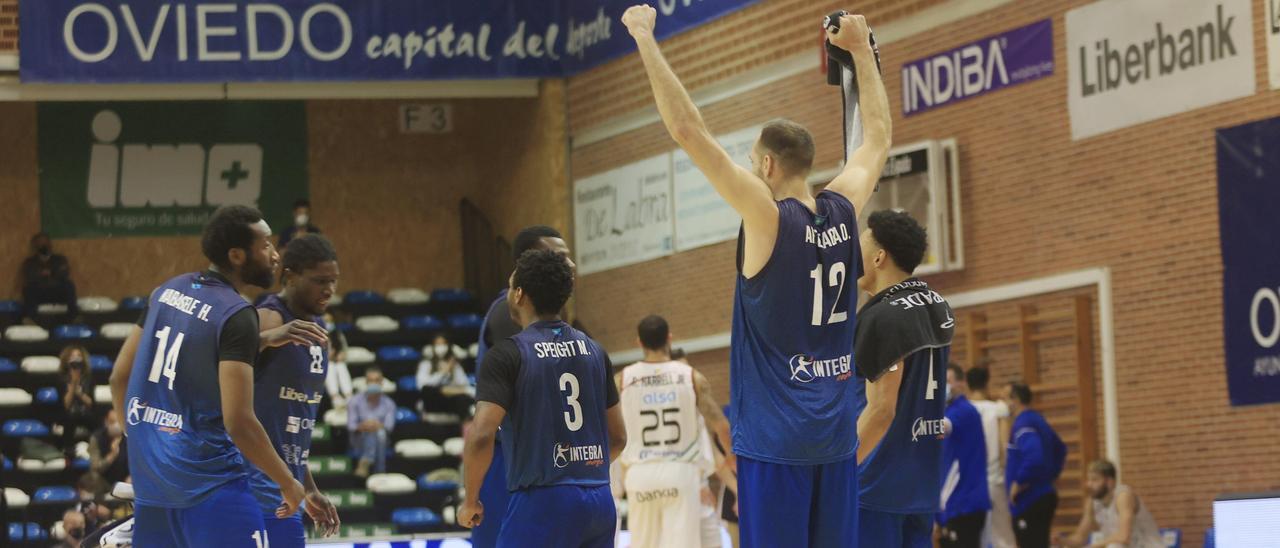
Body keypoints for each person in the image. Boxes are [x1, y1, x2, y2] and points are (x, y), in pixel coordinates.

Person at [624, 7, 891, 546]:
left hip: (775, 444)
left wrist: (645, 37)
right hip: (835, 438)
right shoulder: (844, 207)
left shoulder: (767, 217)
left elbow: (687, 130)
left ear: (767, 167)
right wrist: (862, 52)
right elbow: (878, 138)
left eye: (752, 160)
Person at [109, 205, 305, 547]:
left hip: (154, 490)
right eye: (266, 245)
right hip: (211, 489)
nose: (276, 255)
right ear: (237, 255)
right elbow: (239, 422)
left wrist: (138, 437)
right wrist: (287, 481)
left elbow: (118, 378)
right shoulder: (238, 314)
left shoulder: (166, 291)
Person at [459, 249, 626, 547]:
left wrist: (470, 500)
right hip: (599, 500)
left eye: (511, 286)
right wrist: (581, 470)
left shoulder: (507, 355)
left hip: (542, 501)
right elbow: (618, 437)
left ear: (519, 295)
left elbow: (482, 434)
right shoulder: (595, 351)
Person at [853, 210, 956, 548]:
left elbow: (882, 409)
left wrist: (837, 472)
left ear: (879, 257)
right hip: (921, 483)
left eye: (861, 246)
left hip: (876, 486)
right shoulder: (938, 304)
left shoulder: (883, 315)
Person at [471, 224, 575, 548]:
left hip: (540, 460)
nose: (569, 265)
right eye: (558, 257)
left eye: (569, 257)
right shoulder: (508, 312)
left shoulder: (555, 324)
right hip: (507, 459)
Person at [249, 234, 342, 545]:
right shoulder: (269, 316)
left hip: (287, 487)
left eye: (334, 280)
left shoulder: (318, 330)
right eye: (319, 281)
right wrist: (268, 338)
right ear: (289, 276)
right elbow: (219, 363)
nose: (329, 289)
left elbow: (289, 427)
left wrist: (310, 487)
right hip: (252, 484)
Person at [616, 315, 733, 548]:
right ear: (669, 338)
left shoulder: (622, 380)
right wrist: (730, 456)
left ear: (639, 342)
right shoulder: (690, 376)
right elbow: (721, 425)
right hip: (680, 473)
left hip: (640, 474)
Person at [1003, 382, 1066, 548]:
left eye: (1005, 399)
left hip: (1030, 499)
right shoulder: (1037, 419)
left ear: (1014, 399)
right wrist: (1051, 476)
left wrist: (1020, 482)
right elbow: (1060, 448)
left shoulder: (1023, 424)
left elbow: (1034, 457)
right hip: (1043, 495)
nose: (1003, 404)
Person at [937, 365, 991, 548]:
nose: (943, 386)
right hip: (953, 505)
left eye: (948, 382)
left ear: (961, 383)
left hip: (965, 503)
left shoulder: (964, 411)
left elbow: (941, 426)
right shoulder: (949, 410)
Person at [965, 366, 1017, 548]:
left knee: (975, 537)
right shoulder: (998, 409)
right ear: (987, 384)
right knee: (1003, 537)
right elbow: (1004, 447)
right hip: (994, 479)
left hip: (969, 483)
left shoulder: (962, 410)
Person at [1058, 460, 1164, 548]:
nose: (1089, 484)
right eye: (1088, 480)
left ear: (1109, 482)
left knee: (1114, 545)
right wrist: (1061, 541)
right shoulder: (1092, 502)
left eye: (1094, 480)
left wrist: (1095, 545)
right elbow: (1079, 538)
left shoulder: (1123, 496)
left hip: (1148, 546)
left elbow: (1124, 537)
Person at [348, 367, 396, 478]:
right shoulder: (355, 401)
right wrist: (363, 426)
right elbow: (351, 426)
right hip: (359, 439)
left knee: (380, 433)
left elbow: (389, 426)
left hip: (382, 439)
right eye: (371, 380)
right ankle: (379, 472)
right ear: (366, 382)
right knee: (376, 433)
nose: (374, 383)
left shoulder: (389, 403)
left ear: (381, 382)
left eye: (377, 380)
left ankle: (366, 461)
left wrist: (376, 425)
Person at [20, 232, 78, 321]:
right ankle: (30, 319)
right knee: (28, 288)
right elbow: (30, 276)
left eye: (45, 242)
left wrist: (44, 273)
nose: (43, 245)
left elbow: (63, 273)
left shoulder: (60, 259)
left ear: (50, 244)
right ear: (35, 246)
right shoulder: (30, 262)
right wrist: (53, 272)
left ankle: (73, 318)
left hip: (57, 292)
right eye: (40, 243)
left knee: (69, 285)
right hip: (40, 293)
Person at [418, 334, 475, 420]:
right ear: (432, 346)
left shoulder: (454, 365)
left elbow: (464, 383)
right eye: (438, 344)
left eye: (443, 344)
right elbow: (422, 386)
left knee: (464, 399)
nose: (441, 348)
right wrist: (442, 373)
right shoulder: (426, 364)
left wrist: (453, 369)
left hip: (451, 401)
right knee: (428, 390)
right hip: (433, 401)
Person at [57, 344, 97, 460]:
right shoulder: (61, 378)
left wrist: (79, 393)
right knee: (70, 418)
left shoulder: (89, 378)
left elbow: (91, 404)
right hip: (68, 414)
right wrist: (73, 384)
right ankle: (68, 451)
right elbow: (65, 405)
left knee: (95, 419)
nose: (75, 359)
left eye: (78, 356)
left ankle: (97, 448)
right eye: (72, 356)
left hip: (86, 412)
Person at [88, 410, 129, 493]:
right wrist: (113, 455)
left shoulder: (129, 436)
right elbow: (96, 467)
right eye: (112, 422)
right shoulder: (96, 438)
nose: (116, 425)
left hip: (125, 479)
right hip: (104, 480)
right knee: (94, 478)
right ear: (106, 422)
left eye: (119, 422)